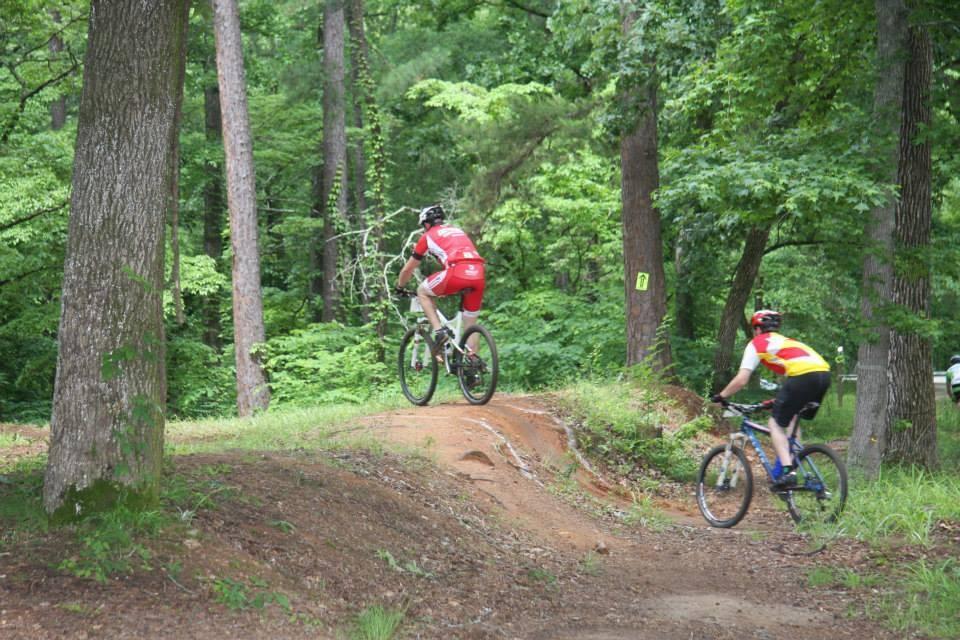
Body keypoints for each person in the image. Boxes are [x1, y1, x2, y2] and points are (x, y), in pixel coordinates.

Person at [712, 310, 831, 488]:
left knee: (775, 424)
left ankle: (787, 470)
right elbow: (793, 383)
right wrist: (777, 400)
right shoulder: (786, 342)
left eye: (754, 329)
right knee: (793, 418)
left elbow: (741, 379)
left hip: (803, 376)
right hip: (824, 375)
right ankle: (793, 465)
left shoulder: (757, 344)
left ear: (758, 329)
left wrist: (721, 396)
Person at [395, 204, 485, 351]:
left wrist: (400, 286)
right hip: (478, 273)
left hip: (456, 272)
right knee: (470, 324)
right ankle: (473, 364)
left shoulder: (427, 236)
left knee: (422, 291)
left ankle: (439, 332)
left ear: (427, 223)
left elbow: (408, 269)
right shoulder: (457, 230)